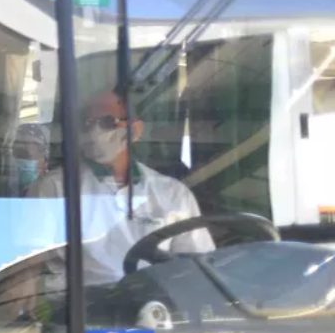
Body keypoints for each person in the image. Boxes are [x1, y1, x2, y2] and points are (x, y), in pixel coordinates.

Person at [27, 89, 213, 285]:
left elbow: (198, 265)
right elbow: (27, 268)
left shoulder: (173, 194)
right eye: (88, 124)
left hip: (155, 306)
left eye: (107, 122)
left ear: (135, 130)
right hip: (81, 309)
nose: (95, 132)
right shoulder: (53, 189)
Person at [12, 123, 50, 194]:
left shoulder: (52, 193)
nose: (20, 161)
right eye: (18, 155)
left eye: (26, 155)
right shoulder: (4, 189)